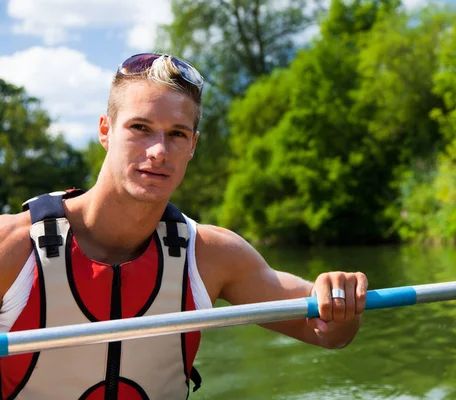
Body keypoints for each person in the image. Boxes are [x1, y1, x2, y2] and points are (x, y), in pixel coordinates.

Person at [0, 53, 368, 399]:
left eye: (177, 134)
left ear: (192, 145)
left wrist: (338, 299)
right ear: (105, 130)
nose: (159, 150)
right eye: (140, 127)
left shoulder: (213, 255)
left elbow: (326, 333)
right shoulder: (12, 247)